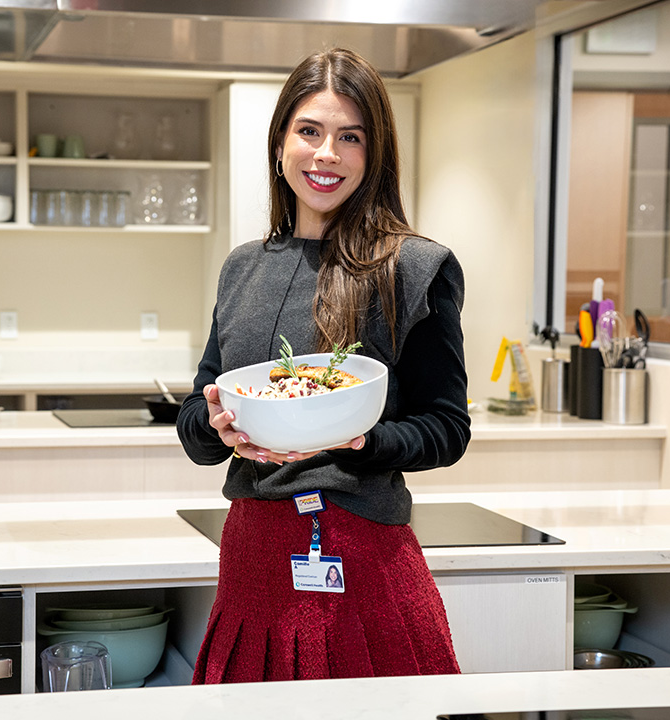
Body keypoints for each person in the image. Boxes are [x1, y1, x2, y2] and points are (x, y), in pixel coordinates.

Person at [176, 47, 471, 684]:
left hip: (364, 556)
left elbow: (447, 428)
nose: (326, 154)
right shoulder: (242, 268)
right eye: (309, 131)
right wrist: (215, 426)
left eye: (350, 137)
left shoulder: (414, 268)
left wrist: (361, 441)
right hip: (252, 557)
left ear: (375, 153)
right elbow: (199, 409)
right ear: (281, 143)